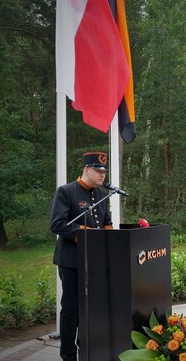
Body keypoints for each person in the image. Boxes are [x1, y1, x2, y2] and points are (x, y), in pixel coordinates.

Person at [50, 152, 112, 361]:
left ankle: (86, 348)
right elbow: (57, 224)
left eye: (104, 171)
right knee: (71, 308)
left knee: (91, 307)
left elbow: (106, 222)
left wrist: (109, 237)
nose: (102, 175)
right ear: (86, 170)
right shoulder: (66, 192)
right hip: (71, 261)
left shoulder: (103, 195)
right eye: (98, 170)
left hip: (94, 262)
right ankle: (68, 355)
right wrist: (85, 234)